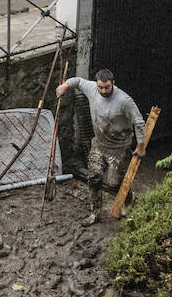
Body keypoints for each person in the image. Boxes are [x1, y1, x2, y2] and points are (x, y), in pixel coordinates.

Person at [55, 69, 146, 223]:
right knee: (94, 177)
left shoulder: (124, 100)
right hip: (99, 143)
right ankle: (95, 213)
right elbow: (77, 81)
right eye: (100, 87)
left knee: (113, 183)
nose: (103, 91)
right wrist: (65, 85)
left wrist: (141, 145)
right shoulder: (92, 88)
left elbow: (139, 121)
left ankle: (129, 199)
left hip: (119, 148)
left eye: (107, 87)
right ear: (96, 84)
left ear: (113, 84)